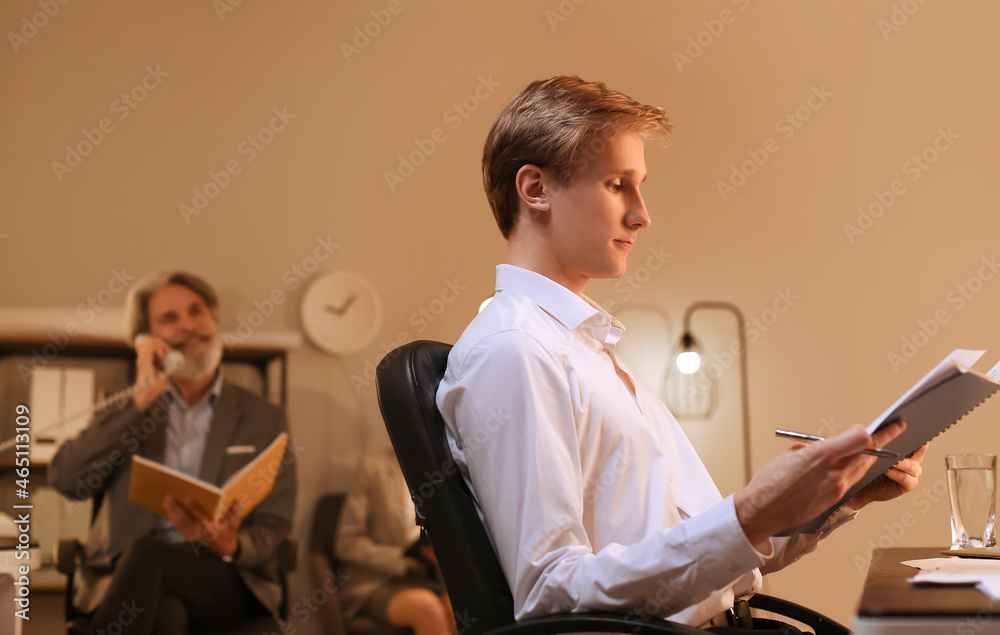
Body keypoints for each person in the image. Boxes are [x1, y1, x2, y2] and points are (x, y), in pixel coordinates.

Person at [435, 75, 928, 632]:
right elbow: (552, 595)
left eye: (639, 186)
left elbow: (714, 564)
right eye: (618, 184)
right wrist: (751, 511)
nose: (642, 214)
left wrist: (836, 496)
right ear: (536, 189)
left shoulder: (588, 350)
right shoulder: (515, 352)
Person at [50, 271, 297, 634]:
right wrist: (139, 401)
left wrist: (233, 544)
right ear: (146, 340)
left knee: (150, 554)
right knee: (166, 613)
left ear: (213, 320)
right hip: (124, 577)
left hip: (223, 575)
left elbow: (276, 526)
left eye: (196, 311)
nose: (188, 326)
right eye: (170, 318)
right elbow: (67, 480)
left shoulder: (264, 416)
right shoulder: (126, 407)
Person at [335, 449, 454, 635]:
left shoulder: (441, 470)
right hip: (377, 581)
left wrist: (440, 558)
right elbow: (347, 543)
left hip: (428, 578)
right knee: (427, 608)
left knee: (462, 606)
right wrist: (404, 561)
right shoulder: (373, 467)